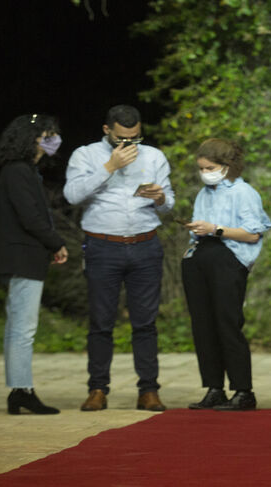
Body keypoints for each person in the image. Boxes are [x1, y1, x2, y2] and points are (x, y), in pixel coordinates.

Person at [63, 105, 174, 412]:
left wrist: (162, 198)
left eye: (135, 138)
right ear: (106, 131)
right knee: (101, 321)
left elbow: (168, 203)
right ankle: (98, 389)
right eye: (121, 138)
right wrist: (109, 166)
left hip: (145, 244)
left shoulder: (154, 156)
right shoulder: (85, 155)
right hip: (103, 246)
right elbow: (72, 196)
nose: (128, 145)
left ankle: (148, 390)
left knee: (146, 322)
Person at [0, 113, 69, 415]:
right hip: (21, 256)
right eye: (48, 134)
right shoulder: (18, 171)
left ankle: (19, 389)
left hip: (24, 255)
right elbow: (30, 217)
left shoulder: (25, 171)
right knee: (23, 327)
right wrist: (56, 242)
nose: (53, 140)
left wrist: (50, 243)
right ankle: (22, 390)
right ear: (31, 137)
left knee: (18, 325)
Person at [182, 138, 271, 411]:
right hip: (200, 256)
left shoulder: (243, 193)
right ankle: (214, 387)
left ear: (227, 166)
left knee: (227, 324)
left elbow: (253, 232)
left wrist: (215, 229)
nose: (205, 172)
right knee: (203, 325)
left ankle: (243, 390)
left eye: (210, 167)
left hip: (227, 258)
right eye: (201, 168)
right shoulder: (204, 193)